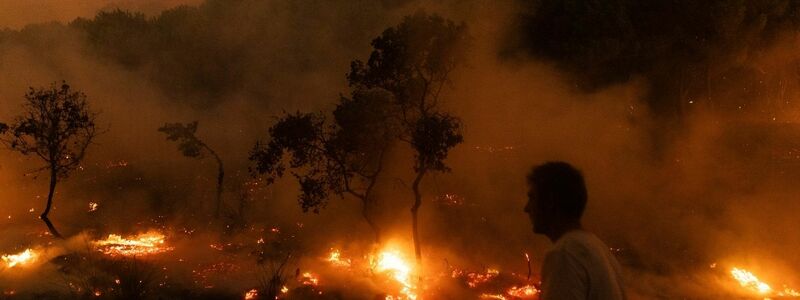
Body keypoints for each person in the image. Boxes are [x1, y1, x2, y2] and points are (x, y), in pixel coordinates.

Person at [524, 161, 625, 300]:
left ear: (550, 202)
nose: (526, 208)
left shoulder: (565, 254)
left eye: (532, 198)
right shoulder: (599, 249)